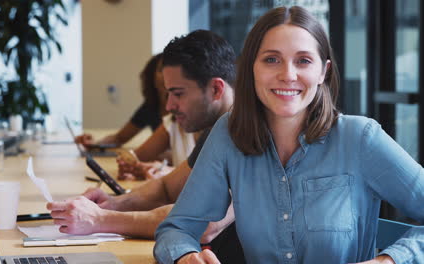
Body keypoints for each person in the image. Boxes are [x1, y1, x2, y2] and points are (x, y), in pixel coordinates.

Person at [154, 6, 424, 264]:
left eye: (303, 60)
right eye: (272, 60)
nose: (288, 75)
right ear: (251, 68)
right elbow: (176, 229)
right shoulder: (228, 134)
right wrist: (186, 256)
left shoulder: (361, 138)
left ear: (323, 72)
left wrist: (388, 260)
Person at [47, 30, 244, 262]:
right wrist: (114, 203)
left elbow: (203, 222)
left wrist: (100, 219)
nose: (169, 106)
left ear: (216, 89)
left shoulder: (241, 131)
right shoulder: (218, 130)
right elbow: (166, 188)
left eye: (177, 94)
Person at [75, 53, 167, 148]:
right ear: (152, 76)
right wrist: (95, 144)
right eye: (161, 70)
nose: (167, 75)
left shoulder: (181, 108)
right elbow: (119, 138)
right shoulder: (151, 106)